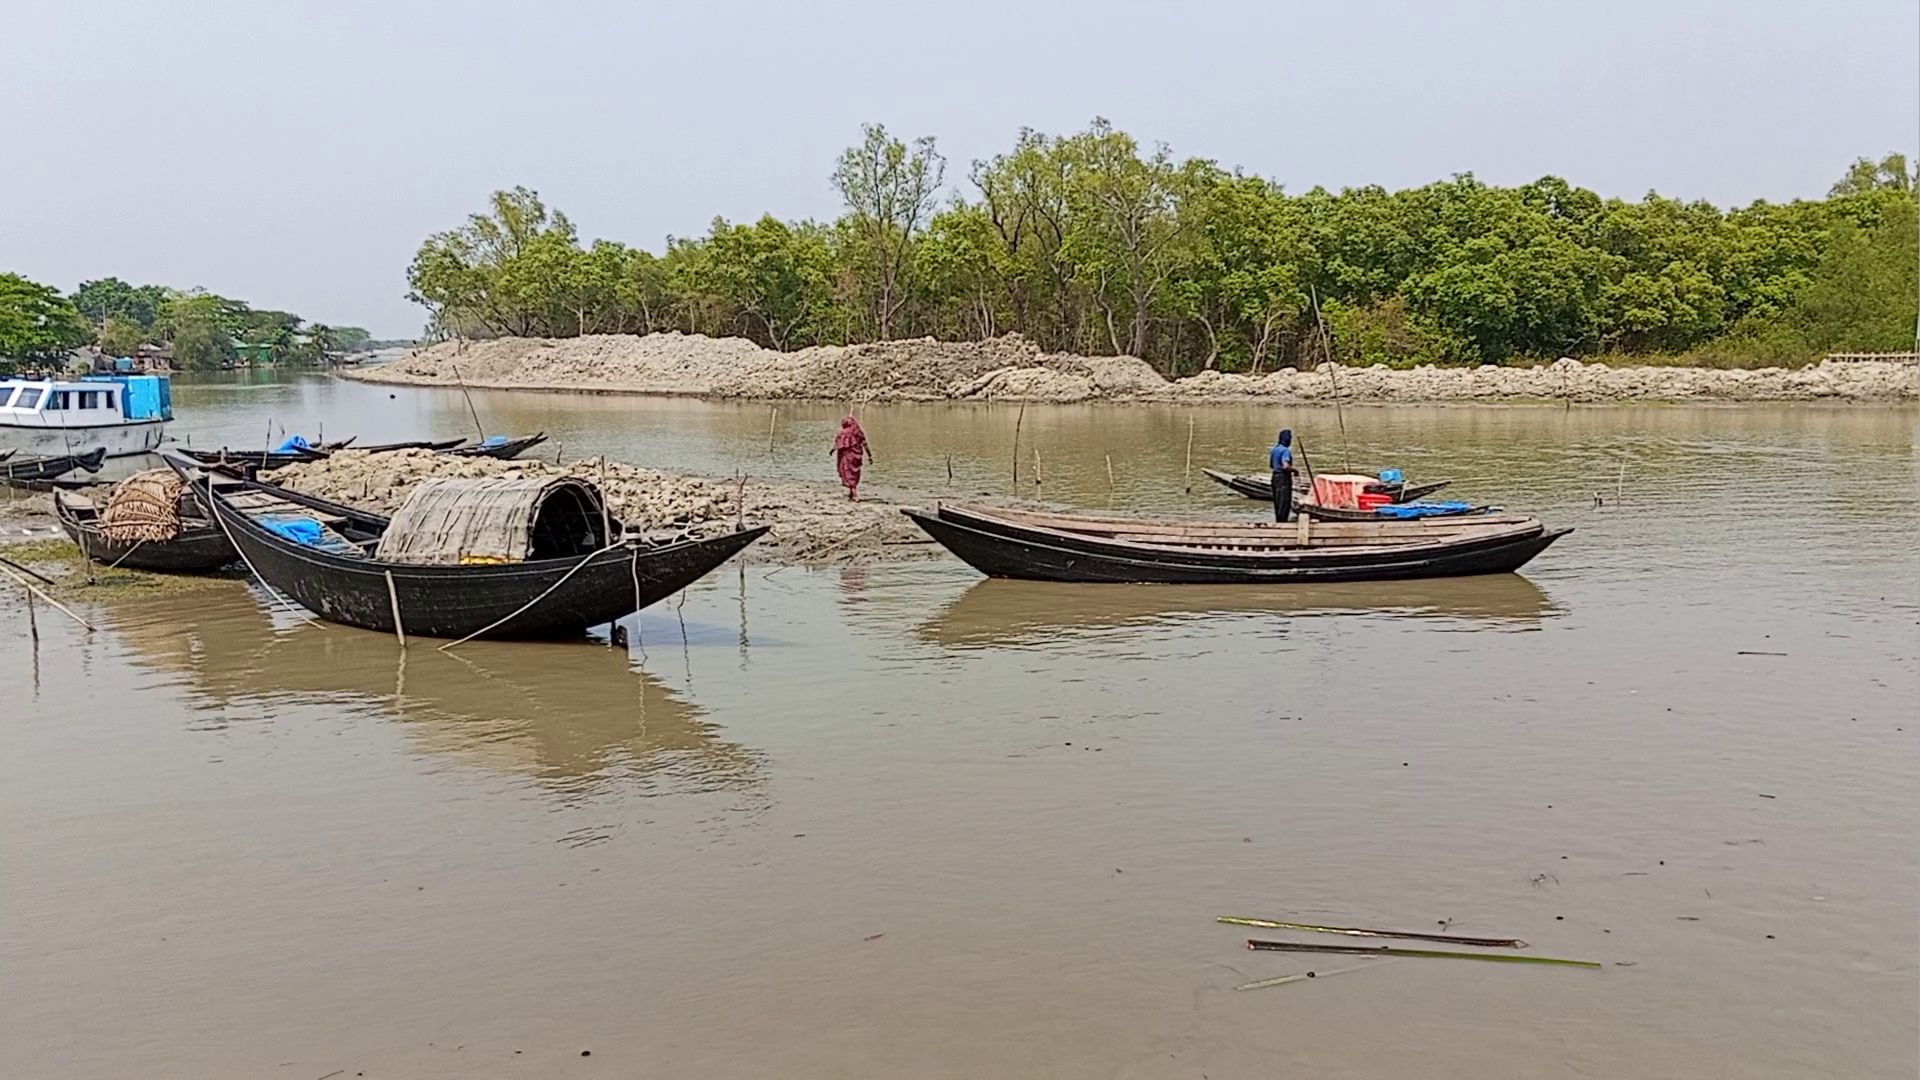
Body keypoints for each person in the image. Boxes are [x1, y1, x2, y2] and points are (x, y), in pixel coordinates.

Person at [831, 415, 873, 500]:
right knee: (854, 473)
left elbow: (838, 444)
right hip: (856, 457)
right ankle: (851, 492)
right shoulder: (858, 432)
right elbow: (865, 444)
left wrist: (832, 450)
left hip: (846, 456)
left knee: (847, 472)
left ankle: (854, 494)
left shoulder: (843, 433)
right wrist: (870, 455)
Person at [1269, 429, 1296, 523]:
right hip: (1283, 479)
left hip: (1275, 478)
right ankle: (1283, 523)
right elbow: (1285, 466)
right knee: (1284, 502)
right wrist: (1295, 470)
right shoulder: (1285, 450)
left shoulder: (1274, 450)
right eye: (1290, 438)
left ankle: (1278, 522)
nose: (1290, 440)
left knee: (1278, 502)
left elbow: (1271, 465)